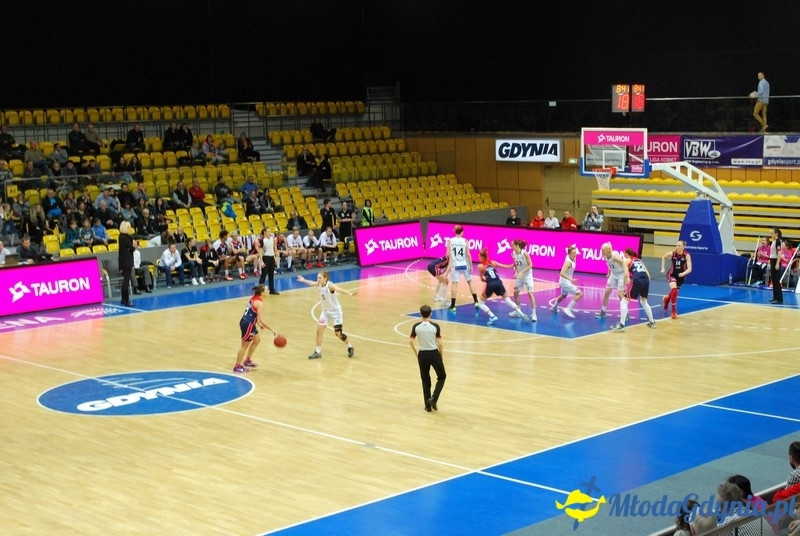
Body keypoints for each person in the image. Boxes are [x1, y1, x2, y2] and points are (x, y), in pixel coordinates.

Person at [297, 271, 358, 359]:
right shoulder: (318, 284)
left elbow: (339, 289)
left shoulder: (330, 286)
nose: (318, 279)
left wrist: (349, 293)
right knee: (319, 331)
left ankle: (350, 346)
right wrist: (303, 280)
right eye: (317, 278)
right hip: (325, 312)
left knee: (338, 334)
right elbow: (311, 283)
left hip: (336, 312)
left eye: (320, 278)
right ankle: (318, 352)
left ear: (325, 278)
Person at [475, 248, 530, 324]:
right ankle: (520, 312)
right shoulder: (492, 262)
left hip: (490, 284)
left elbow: (482, 279)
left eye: (479, 256)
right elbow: (506, 266)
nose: (478, 258)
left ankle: (492, 316)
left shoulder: (480, 266)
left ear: (482, 257)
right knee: (507, 300)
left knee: (480, 303)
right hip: (498, 282)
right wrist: (512, 264)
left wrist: (488, 280)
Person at [233, 285, 278, 373]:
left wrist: (258, 324)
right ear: (262, 293)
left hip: (249, 322)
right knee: (244, 346)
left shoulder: (254, 298)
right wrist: (272, 330)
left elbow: (252, 313)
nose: (268, 291)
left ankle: (247, 360)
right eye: (267, 290)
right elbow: (261, 319)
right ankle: (237, 366)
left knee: (257, 340)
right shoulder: (259, 303)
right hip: (248, 324)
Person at [409, 304, 446, 412]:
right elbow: (440, 344)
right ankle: (434, 398)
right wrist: (441, 355)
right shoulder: (435, 326)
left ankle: (427, 406)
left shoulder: (416, 327)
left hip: (422, 354)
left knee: (425, 380)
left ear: (420, 314)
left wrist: (416, 353)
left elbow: (411, 341)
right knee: (442, 376)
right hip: (433, 353)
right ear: (431, 314)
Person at [596, 243, 630, 329]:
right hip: (614, 274)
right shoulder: (605, 256)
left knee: (620, 295)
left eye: (603, 249)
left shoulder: (614, 256)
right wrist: (609, 273)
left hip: (621, 274)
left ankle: (626, 314)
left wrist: (627, 276)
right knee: (607, 292)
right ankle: (603, 312)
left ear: (607, 250)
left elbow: (624, 263)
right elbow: (609, 265)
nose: (601, 251)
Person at [447, 225, 479, 312]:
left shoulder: (450, 241)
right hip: (464, 264)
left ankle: (453, 306)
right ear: (461, 232)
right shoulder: (465, 241)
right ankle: (476, 301)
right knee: (470, 282)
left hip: (455, 265)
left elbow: (447, 254)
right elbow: (468, 254)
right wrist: (471, 265)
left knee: (454, 285)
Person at [624, 248, 656, 328]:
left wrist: (627, 278)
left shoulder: (628, 260)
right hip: (645, 280)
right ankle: (652, 322)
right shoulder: (639, 260)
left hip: (638, 280)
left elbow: (625, 271)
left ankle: (621, 323)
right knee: (644, 302)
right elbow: (648, 274)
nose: (624, 255)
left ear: (627, 254)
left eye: (624, 254)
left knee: (624, 300)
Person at [661, 240, 693, 318]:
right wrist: (663, 268)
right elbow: (664, 257)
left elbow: (690, 269)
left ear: (683, 247)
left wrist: (683, 273)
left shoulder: (686, 255)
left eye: (679, 246)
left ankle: (667, 299)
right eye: (676, 245)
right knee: (674, 290)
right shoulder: (672, 253)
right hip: (672, 274)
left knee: (674, 292)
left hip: (681, 277)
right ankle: (673, 311)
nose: (677, 247)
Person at [551, 245, 583, 318]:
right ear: (568, 254)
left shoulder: (573, 258)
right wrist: (571, 279)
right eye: (573, 253)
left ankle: (554, 307)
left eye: (575, 253)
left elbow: (571, 248)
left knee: (563, 295)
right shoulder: (568, 262)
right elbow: (561, 273)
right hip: (565, 282)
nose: (575, 254)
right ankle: (568, 309)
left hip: (565, 282)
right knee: (580, 294)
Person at [509, 239, 538, 321]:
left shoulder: (525, 253)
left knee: (530, 294)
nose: (511, 246)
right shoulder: (513, 253)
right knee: (515, 293)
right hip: (520, 275)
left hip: (527, 275)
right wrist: (516, 272)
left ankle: (534, 314)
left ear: (517, 246)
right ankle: (518, 311)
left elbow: (531, 265)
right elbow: (516, 264)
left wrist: (522, 272)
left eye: (512, 245)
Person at [118, 221, 136, 306]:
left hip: (123, 261)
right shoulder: (124, 238)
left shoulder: (121, 237)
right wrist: (134, 246)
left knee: (125, 281)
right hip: (126, 261)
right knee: (126, 281)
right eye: (128, 227)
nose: (130, 229)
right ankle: (126, 300)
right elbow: (132, 248)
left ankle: (123, 299)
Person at [257, 227, 279, 294]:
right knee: (263, 275)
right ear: (265, 232)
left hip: (271, 257)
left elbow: (272, 249)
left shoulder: (272, 239)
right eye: (268, 231)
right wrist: (261, 261)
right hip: (265, 258)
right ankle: (260, 291)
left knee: (271, 275)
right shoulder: (262, 240)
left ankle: (272, 290)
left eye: (270, 231)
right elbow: (260, 251)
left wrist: (274, 258)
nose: (270, 232)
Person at [768, 227, 784, 304]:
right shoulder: (774, 242)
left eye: (772, 233)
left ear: (776, 234)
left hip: (775, 262)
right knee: (773, 280)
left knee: (776, 281)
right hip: (772, 261)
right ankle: (775, 297)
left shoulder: (778, 242)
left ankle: (779, 298)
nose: (771, 235)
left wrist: (777, 263)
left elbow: (779, 253)